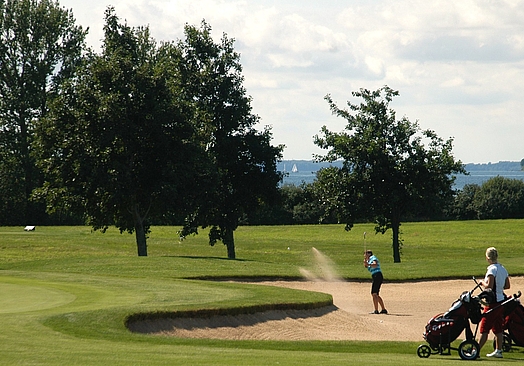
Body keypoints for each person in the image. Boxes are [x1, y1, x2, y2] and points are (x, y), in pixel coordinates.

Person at [477, 247, 510, 358]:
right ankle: (498, 350)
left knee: (484, 328)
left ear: (487, 258)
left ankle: (475, 351)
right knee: (497, 327)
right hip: (501, 302)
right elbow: (507, 285)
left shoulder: (491, 270)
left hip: (492, 303)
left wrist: (482, 283)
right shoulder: (502, 269)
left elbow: (489, 287)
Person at [363, 250, 387, 314]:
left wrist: (368, 263)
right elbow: (366, 266)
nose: (364, 255)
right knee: (376, 294)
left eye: (365, 254)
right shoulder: (368, 260)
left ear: (369, 254)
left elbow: (375, 264)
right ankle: (383, 309)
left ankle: (376, 310)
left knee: (374, 293)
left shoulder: (373, 258)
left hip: (377, 275)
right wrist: (365, 262)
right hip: (376, 276)